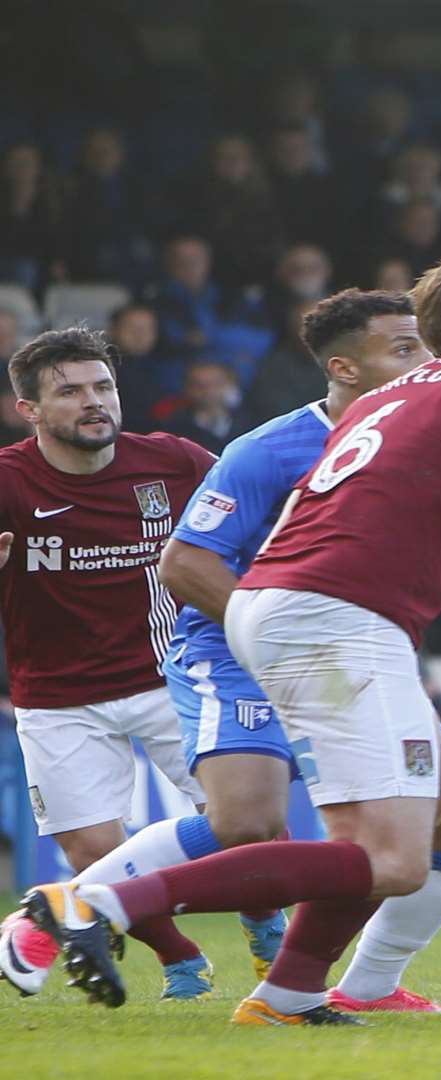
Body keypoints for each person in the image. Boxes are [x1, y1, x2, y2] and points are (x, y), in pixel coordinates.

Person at [24, 248, 441, 1024]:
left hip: (299, 608)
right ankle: (102, 906)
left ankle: (293, 994)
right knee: (387, 857)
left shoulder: (405, 394)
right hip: (333, 620)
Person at [0, 327, 229, 1000]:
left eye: (102, 387)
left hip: (171, 677)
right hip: (55, 695)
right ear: (30, 411)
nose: (93, 402)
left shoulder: (176, 462)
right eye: (69, 392)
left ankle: (264, 918)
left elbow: (259, 516)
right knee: (93, 852)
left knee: (246, 821)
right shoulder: (8, 482)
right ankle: (182, 959)